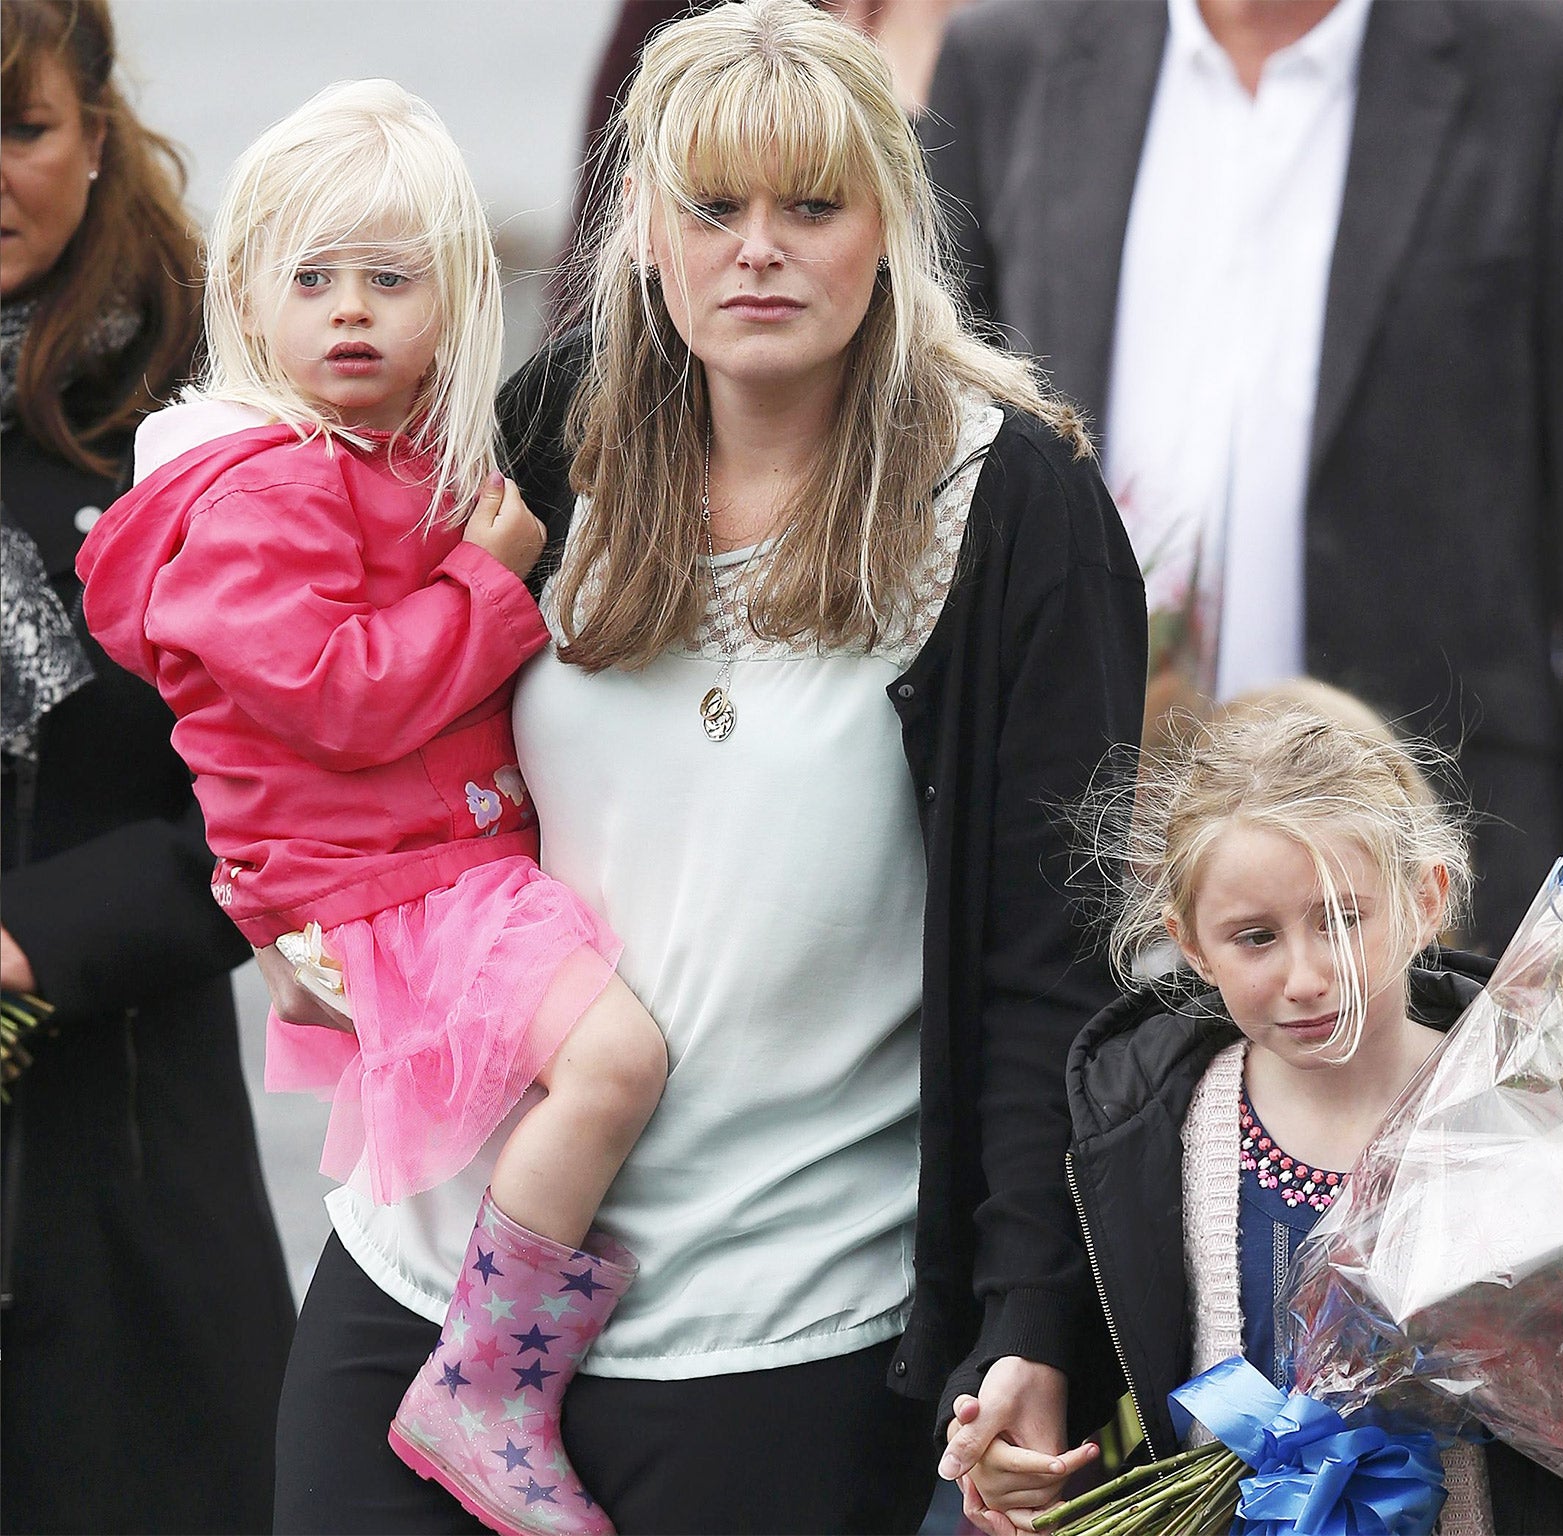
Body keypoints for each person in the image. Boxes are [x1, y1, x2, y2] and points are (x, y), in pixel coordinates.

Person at [261, 4, 1147, 1531]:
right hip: (424, 1285)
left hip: (771, 1341)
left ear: (892, 227)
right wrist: (300, 908)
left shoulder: (1015, 511)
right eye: (712, 208)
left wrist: (1029, 1323)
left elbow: (1051, 969)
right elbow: (375, 732)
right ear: (648, 239)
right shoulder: (555, 430)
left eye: (812, 206)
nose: (760, 250)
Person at [76, 80, 671, 1536]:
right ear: (247, 299)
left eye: (391, 280)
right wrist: (494, 580)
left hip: (409, 867)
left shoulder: (375, 465)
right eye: (314, 278)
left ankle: (499, 1367)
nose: (352, 312)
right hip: (385, 889)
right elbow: (339, 697)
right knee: (613, 1066)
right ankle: (486, 1386)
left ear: (456, 299)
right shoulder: (257, 494)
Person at [919, 0, 1563, 953]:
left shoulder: (1556, 69)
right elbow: (943, 450)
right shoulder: (1010, 57)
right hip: (1082, 869)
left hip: (1435, 874)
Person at [944, 707, 1563, 1535]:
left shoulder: (1520, 1102)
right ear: (1190, 943)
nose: (1305, 977)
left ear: (1425, 899)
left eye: (1342, 919)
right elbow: (1098, 1335)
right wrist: (1010, 1388)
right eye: (1255, 937)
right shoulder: (1150, 1127)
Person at [0, 2, 296, 1530]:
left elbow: (304, 785)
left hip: (127, 1157)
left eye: (22, 129)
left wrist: (34, 941)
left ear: (97, 137)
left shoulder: (209, 414)